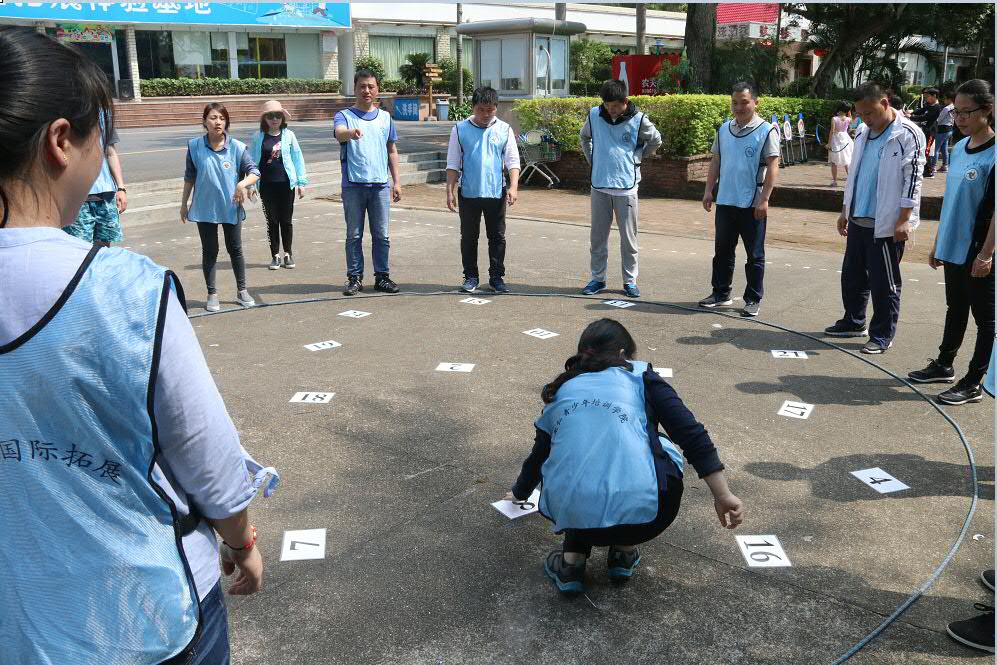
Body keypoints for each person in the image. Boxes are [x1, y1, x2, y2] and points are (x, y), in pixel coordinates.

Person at [0, 26, 265, 664]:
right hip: (144, 613)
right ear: (61, 142)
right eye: (103, 136)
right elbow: (207, 456)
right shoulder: (126, 288)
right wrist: (241, 540)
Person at [506, 319, 744, 594]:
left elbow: (539, 456)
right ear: (622, 354)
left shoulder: (563, 390)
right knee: (657, 444)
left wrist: (520, 493)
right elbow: (692, 436)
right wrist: (723, 495)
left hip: (574, 514)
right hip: (651, 516)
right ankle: (624, 552)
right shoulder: (642, 378)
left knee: (576, 462)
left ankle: (571, 563)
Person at [908, 79, 995, 405]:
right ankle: (945, 364)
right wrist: (938, 243)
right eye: (955, 112)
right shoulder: (958, 149)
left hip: (980, 250)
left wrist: (987, 254)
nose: (959, 118)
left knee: (986, 320)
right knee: (955, 307)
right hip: (954, 246)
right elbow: (953, 200)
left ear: (987, 111)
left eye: (966, 112)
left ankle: (974, 380)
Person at [823, 82, 925, 354]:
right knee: (852, 276)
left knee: (884, 283)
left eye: (870, 112)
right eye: (861, 114)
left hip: (888, 223)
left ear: (885, 103)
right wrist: (846, 210)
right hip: (859, 217)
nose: (866, 118)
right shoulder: (863, 133)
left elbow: (913, 180)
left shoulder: (908, 134)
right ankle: (854, 321)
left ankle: (882, 334)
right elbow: (855, 175)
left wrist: (904, 219)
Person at [700, 81, 781, 317]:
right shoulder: (724, 129)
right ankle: (720, 292)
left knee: (754, 254)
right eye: (735, 102)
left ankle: (753, 298)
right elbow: (716, 161)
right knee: (722, 251)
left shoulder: (767, 130)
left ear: (755, 102)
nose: (739, 107)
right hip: (726, 200)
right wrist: (708, 190)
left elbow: (774, 165)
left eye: (744, 102)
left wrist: (764, 199)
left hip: (752, 203)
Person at [578, 79, 662, 299]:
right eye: (607, 105)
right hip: (600, 185)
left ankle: (630, 281)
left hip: (626, 187)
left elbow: (656, 140)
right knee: (597, 237)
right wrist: (592, 160)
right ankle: (597, 279)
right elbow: (583, 137)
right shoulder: (594, 115)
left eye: (615, 105)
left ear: (625, 101)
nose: (610, 109)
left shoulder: (639, 119)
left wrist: (637, 157)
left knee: (629, 238)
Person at [180, 102, 260, 312]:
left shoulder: (237, 147)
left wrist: (242, 184)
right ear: (205, 121)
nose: (218, 122)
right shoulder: (195, 146)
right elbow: (189, 177)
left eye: (222, 118)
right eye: (213, 118)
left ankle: (242, 291)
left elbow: (254, 172)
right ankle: (212, 294)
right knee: (210, 251)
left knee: (235, 249)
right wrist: (183, 204)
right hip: (204, 208)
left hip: (230, 207)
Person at [446, 86, 521, 294]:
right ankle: (470, 276)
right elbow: (452, 163)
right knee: (469, 237)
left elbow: (513, 161)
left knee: (497, 237)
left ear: (496, 108)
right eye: (481, 109)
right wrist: (449, 191)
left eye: (490, 109)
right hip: (468, 192)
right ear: (473, 108)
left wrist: (513, 187)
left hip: (496, 193)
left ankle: (496, 277)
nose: (486, 114)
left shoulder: (504, 129)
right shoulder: (460, 129)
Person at [334, 69, 402, 296]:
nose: (366, 91)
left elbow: (392, 150)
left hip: (380, 185)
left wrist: (397, 182)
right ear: (354, 89)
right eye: (362, 86)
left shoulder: (385, 118)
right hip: (353, 185)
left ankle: (382, 277)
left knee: (381, 234)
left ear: (377, 89)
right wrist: (350, 133)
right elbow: (339, 133)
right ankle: (354, 278)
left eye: (371, 86)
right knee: (354, 234)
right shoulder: (344, 116)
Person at [250, 100, 307, 270]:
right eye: (270, 116)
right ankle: (275, 255)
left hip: (286, 185)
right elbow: (252, 161)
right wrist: (251, 185)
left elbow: (298, 159)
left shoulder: (289, 135)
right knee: (272, 221)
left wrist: (301, 182)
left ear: (282, 118)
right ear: (265, 119)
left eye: (277, 115)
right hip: (266, 186)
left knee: (286, 221)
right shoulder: (258, 137)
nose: (274, 119)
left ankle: (288, 254)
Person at [64, 109, 127, 246]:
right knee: (80, 248)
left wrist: (121, 188)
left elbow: (110, 152)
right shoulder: (65, 109)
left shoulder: (103, 113)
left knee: (103, 247)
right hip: (78, 198)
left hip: (106, 195)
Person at [911, 87, 942, 178]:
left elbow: (926, 117)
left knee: (927, 151)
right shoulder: (929, 105)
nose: (926, 99)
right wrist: (911, 112)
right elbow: (921, 111)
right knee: (923, 150)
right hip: (925, 130)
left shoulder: (936, 107)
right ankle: (925, 170)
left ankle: (929, 171)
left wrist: (912, 117)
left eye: (927, 96)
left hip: (931, 132)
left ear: (934, 96)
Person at [828, 102, 855, 188]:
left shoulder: (834, 119)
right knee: (847, 161)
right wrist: (849, 113)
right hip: (846, 139)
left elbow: (832, 131)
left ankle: (835, 181)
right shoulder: (848, 119)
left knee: (834, 162)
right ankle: (851, 181)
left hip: (836, 139)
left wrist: (829, 143)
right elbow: (852, 122)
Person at [933, 91, 956, 173]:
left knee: (936, 149)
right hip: (949, 130)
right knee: (944, 148)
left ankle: (933, 166)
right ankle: (945, 166)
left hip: (942, 130)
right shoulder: (954, 107)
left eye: (945, 99)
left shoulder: (946, 108)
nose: (944, 100)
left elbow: (939, 119)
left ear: (949, 99)